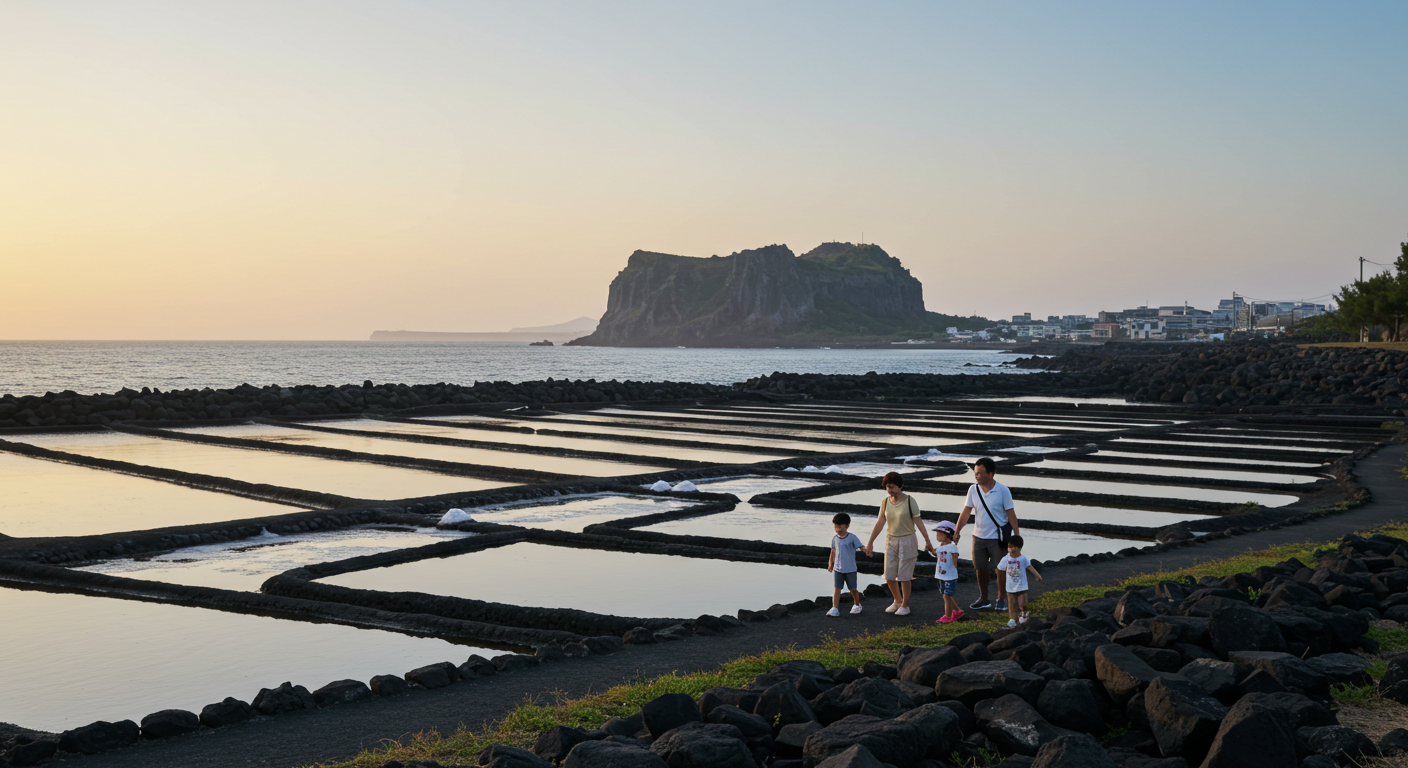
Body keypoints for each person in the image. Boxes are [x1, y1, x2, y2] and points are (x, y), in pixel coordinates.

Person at [953, 457, 1021, 612]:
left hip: (998, 537)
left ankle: (1001, 599)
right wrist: (957, 531)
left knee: (1000, 569)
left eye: (980, 473)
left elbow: (1011, 514)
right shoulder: (973, 490)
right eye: (975, 473)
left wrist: (1016, 536)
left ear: (991, 474)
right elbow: (966, 512)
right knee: (980, 568)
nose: (977, 476)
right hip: (978, 536)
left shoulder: (1003, 490)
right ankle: (984, 598)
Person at [863, 471, 935, 616]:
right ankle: (897, 601)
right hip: (891, 540)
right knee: (889, 575)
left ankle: (905, 605)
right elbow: (880, 523)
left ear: (900, 486)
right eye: (887, 487)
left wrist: (927, 540)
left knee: (904, 576)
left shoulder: (909, 501)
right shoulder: (885, 503)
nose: (889, 490)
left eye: (892, 487)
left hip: (908, 540)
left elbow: (918, 522)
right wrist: (870, 543)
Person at [997, 534, 1041, 626]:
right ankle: (1013, 619)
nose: (1010, 549)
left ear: (1020, 548)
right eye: (1009, 547)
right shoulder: (1006, 558)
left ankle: (1023, 614)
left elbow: (1029, 566)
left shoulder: (1023, 559)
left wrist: (1036, 575)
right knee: (1011, 604)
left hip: (1021, 585)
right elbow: (1000, 568)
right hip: (1010, 586)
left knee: (1023, 603)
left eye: (1013, 547)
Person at [826, 512, 864, 616]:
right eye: (835, 526)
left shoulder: (852, 537)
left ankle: (857, 604)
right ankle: (835, 608)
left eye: (840, 526)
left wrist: (866, 550)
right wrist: (830, 564)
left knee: (852, 588)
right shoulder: (835, 538)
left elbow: (861, 546)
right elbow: (833, 552)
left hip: (850, 568)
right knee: (837, 588)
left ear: (847, 526)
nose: (838, 528)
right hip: (838, 569)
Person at [932, 520, 963, 624]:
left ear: (946, 535)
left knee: (947, 595)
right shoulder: (941, 547)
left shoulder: (952, 547)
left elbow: (955, 557)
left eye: (939, 534)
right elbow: (936, 553)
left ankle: (948, 615)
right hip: (941, 575)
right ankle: (957, 611)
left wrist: (955, 565)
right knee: (945, 595)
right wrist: (928, 548)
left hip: (950, 576)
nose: (937, 536)